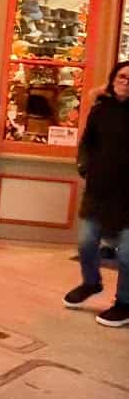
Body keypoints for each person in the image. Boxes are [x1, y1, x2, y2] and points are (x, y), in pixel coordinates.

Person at [64, 61, 129, 328]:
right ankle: (91, 283)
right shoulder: (101, 110)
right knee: (86, 242)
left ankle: (125, 302)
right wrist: (84, 166)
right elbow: (87, 144)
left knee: (126, 254)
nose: (126, 82)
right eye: (122, 76)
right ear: (113, 79)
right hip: (99, 192)